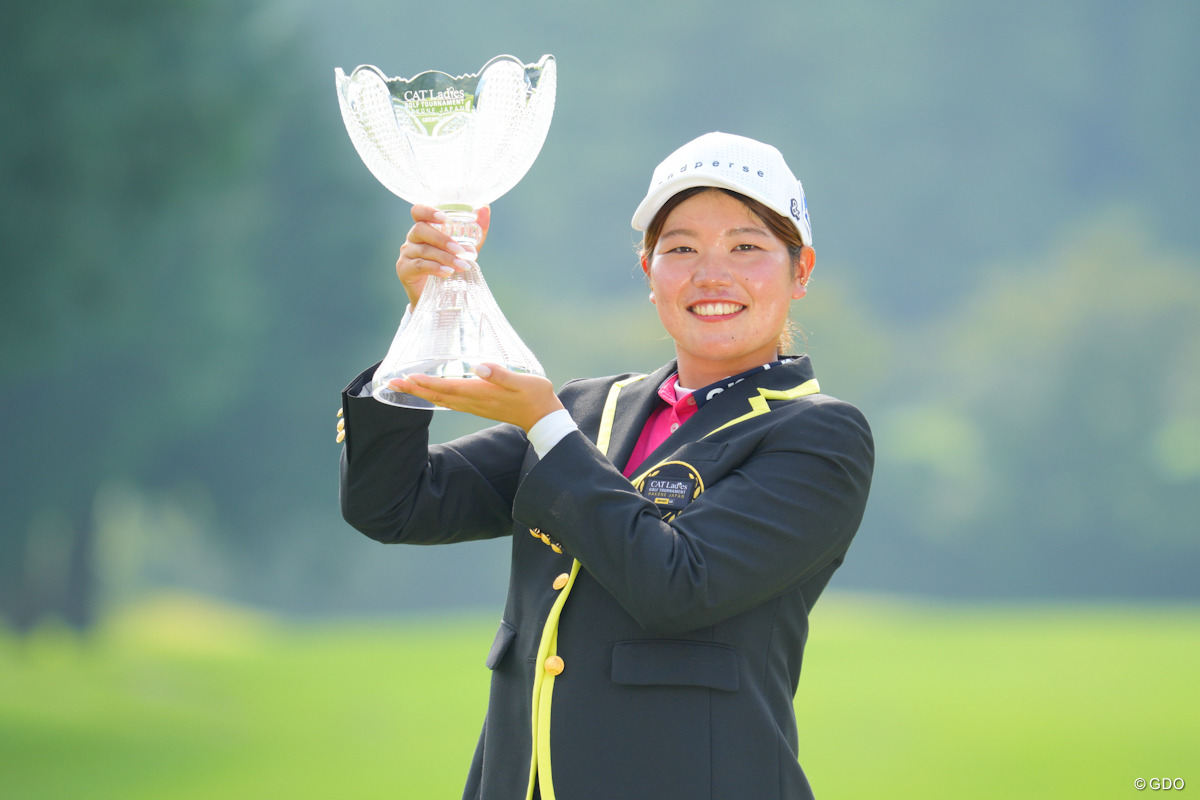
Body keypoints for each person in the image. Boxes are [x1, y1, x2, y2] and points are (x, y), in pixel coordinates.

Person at [337, 132, 874, 800]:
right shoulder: (589, 410)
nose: (712, 273)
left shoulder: (819, 434)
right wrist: (429, 315)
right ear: (648, 271)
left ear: (801, 271)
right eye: (680, 248)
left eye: (746, 246)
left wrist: (542, 424)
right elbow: (395, 504)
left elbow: (676, 587)